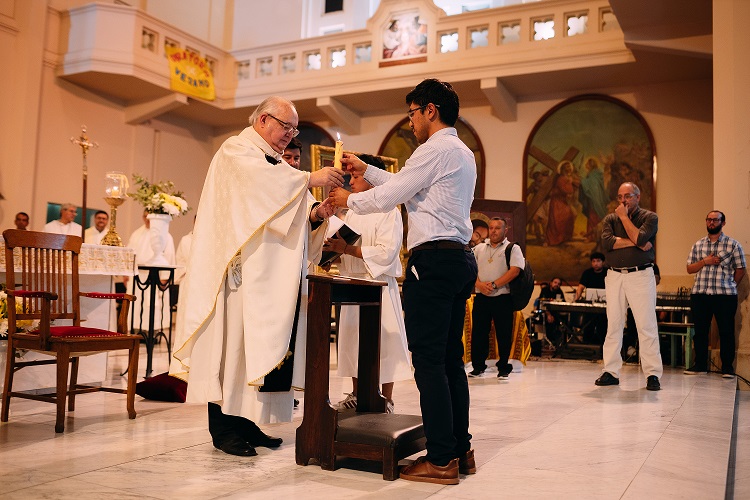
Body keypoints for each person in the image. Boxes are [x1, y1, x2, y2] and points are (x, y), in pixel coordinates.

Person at [169, 96, 343, 458]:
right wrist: (310, 178)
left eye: (294, 129)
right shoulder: (237, 151)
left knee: (248, 356)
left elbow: (277, 212)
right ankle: (223, 431)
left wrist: (314, 214)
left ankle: (247, 423)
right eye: (287, 127)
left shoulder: (271, 162)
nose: (290, 135)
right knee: (229, 351)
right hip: (234, 275)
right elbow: (261, 188)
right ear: (264, 120)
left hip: (259, 276)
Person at [331, 78, 478, 485]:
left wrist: (348, 199)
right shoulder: (460, 151)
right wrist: (366, 170)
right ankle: (460, 449)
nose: (410, 121)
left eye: (412, 112)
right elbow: (405, 185)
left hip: (432, 263)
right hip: (458, 259)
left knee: (429, 363)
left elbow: (389, 196)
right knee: (449, 361)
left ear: (430, 110)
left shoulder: (435, 149)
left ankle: (442, 459)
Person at [323, 154, 412, 414]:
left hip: (378, 284)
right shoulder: (351, 213)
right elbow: (341, 242)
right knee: (352, 342)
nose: (351, 181)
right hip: (353, 283)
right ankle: (357, 392)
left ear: (373, 181)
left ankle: (387, 397)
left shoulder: (389, 212)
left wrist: (347, 249)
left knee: (383, 341)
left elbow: (386, 252)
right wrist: (332, 254)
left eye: (356, 176)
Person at [595, 182, 662, 391]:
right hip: (614, 276)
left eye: (628, 196)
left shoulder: (650, 217)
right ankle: (611, 371)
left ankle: (652, 374)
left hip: (640, 274)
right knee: (613, 324)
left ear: (637, 197)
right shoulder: (609, 219)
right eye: (620, 197)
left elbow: (642, 236)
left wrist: (625, 219)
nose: (623, 201)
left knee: (646, 325)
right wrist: (635, 241)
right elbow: (607, 243)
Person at [685, 210, 746, 377]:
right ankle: (700, 366)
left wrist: (731, 284)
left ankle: (727, 367)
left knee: (726, 331)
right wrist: (705, 261)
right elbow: (690, 268)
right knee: (701, 331)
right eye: (709, 220)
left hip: (724, 295)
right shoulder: (698, 245)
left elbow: (741, 269)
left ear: (723, 223)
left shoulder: (733, 245)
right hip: (701, 294)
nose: (711, 223)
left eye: (715, 220)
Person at [468, 217, 524, 379]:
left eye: (497, 228)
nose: (493, 231)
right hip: (481, 298)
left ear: (505, 230)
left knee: (504, 333)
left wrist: (493, 285)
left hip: (503, 298)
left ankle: (504, 367)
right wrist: (479, 285)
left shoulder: (512, 248)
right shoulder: (479, 248)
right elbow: (470, 269)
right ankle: (478, 366)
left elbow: (515, 271)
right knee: (479, 333)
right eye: (491, 228)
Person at [125, 211, 176, 334]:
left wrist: (164, 278)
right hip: (137, 275)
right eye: (145, 216)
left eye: (150, 216)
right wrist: (126, 274)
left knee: (153, 306)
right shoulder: (136, 234)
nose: (147, 219)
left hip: (155, 276)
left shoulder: (165, 235)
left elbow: (169, 256)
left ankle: (153, 333)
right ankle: (136, 331)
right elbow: (128, 254)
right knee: (136, 306)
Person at [574, 252, 608, 345]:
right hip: (590, 306)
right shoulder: (587, 273)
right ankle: (586, 345)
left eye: (598, 261)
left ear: (603, 262)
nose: (596, 263)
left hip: (605, 306)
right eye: (593, 261)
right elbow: (580, 287)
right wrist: (575, 300)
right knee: (588, 326)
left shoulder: (608, 272)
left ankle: (603, 347)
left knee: (603, 327)